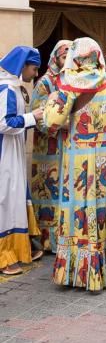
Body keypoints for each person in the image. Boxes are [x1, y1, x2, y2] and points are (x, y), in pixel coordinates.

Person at [42, 37, 106, 291]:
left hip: (78, 160)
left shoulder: (67, 86)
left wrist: (53, 101)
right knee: (105, 208)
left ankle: (77, 270)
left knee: (79, 209)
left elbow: (51, 122)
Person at [0, 46, 44, 276]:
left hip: (12, 150)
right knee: (5, 202)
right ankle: (4, 257)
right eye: (34, 68)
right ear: (23, 65)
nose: (35, 74)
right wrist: (32, 117)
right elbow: (3, 123)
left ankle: (18, 249)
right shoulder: (6, 88)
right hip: (4, 154)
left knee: (14, 199)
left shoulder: (14, 87)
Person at [31, 40, 72, 252]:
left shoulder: (75, 81)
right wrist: (61, 125)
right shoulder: (44, 83)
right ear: (56, 57)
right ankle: (47, 242)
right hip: (48, 149)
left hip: (68, 147)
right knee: (48, 192)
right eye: (64, 57)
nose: (67, 62)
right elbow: (37, 116)